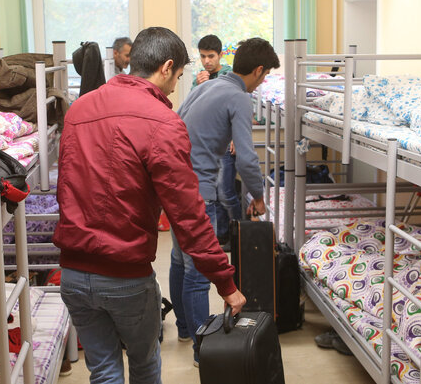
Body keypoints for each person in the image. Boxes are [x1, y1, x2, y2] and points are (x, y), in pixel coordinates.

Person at [53, 26, 246, 384]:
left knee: (104, 370)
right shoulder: (163, 122)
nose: (177, 85)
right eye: (179, 75)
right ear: (166, 67)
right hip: (125, 275)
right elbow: (188, 217)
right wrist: (225, 282)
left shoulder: (79, 110)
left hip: (73, 274)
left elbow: (66, 187)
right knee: (143, 366)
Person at [171, 37, 278, 365]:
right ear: (257, 70)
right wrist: (258, 196)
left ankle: (185, 329)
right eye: (265, 76)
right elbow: (247, 159)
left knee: (179, 259)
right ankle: (203, 351)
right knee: (198, 272)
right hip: (196, 190)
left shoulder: (206, 86)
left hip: (174, 183)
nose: (263, 83)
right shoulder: (239, 97)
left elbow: (175, 123)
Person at [193, 34, 240, 246]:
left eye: (211, 56)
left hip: (225, 142)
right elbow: (196, 108)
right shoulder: (200, 78)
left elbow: (234, 106)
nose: (206, 61)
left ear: (220, 55)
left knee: (226, 192)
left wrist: (236, 136)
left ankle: (239, 234)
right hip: (206, 144)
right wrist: (198, 86)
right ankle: (221, 235)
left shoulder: (229, 75)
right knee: (212, 192)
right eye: (203, 56)